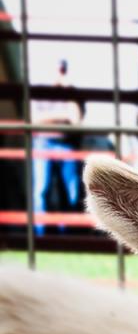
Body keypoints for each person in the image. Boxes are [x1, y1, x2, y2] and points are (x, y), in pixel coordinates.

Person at [30, 60, 83, 224]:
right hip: (43, 143)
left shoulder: (71, 93)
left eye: (63, 70)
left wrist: (68, 91)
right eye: (58, 70)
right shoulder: (39, 92)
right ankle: (40, 237)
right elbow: (34, 120)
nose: (60, 74)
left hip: (66, 144)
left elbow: (75, 119)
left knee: (71, 191)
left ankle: (69, 237)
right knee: (41, 190)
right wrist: (62, 115)